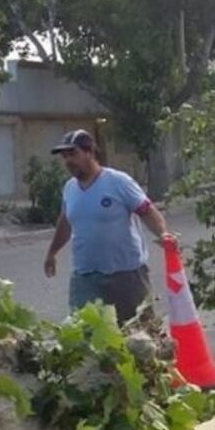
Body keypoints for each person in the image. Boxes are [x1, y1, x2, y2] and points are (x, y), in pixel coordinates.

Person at [43, 129, 176, 321]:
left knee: (137, 334)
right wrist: (51, 253)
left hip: (125, 275)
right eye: (65, 156)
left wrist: (163, 234)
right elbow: (65, 222)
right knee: (85, 335)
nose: (68, 161)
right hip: (85, 276)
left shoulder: (118, 182)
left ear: (89, 152)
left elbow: (147, 211)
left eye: (73, 154)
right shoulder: (70, 188)